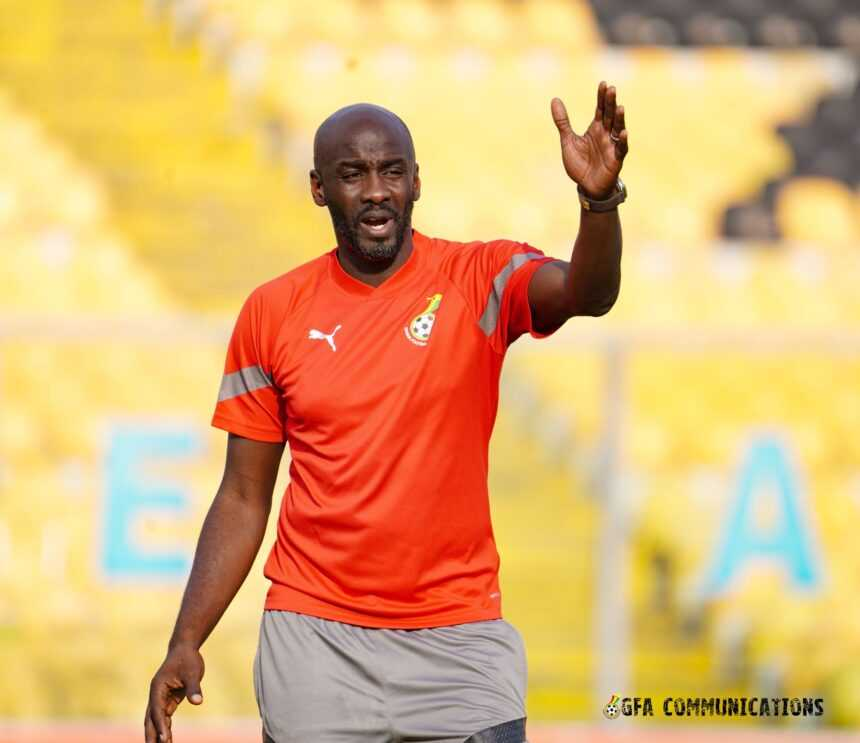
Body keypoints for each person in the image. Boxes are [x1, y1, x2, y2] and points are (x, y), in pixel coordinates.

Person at [144, 81, 629, 743]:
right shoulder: (272, 311)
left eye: (391, 171)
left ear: (417, 181)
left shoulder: (478, 277)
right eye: (353, 174)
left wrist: (598, 201)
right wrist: (186, 638)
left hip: (458, 633)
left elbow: (587, 293)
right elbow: (242, 494)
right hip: (315, 636)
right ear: (319, 188)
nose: (375, 190)